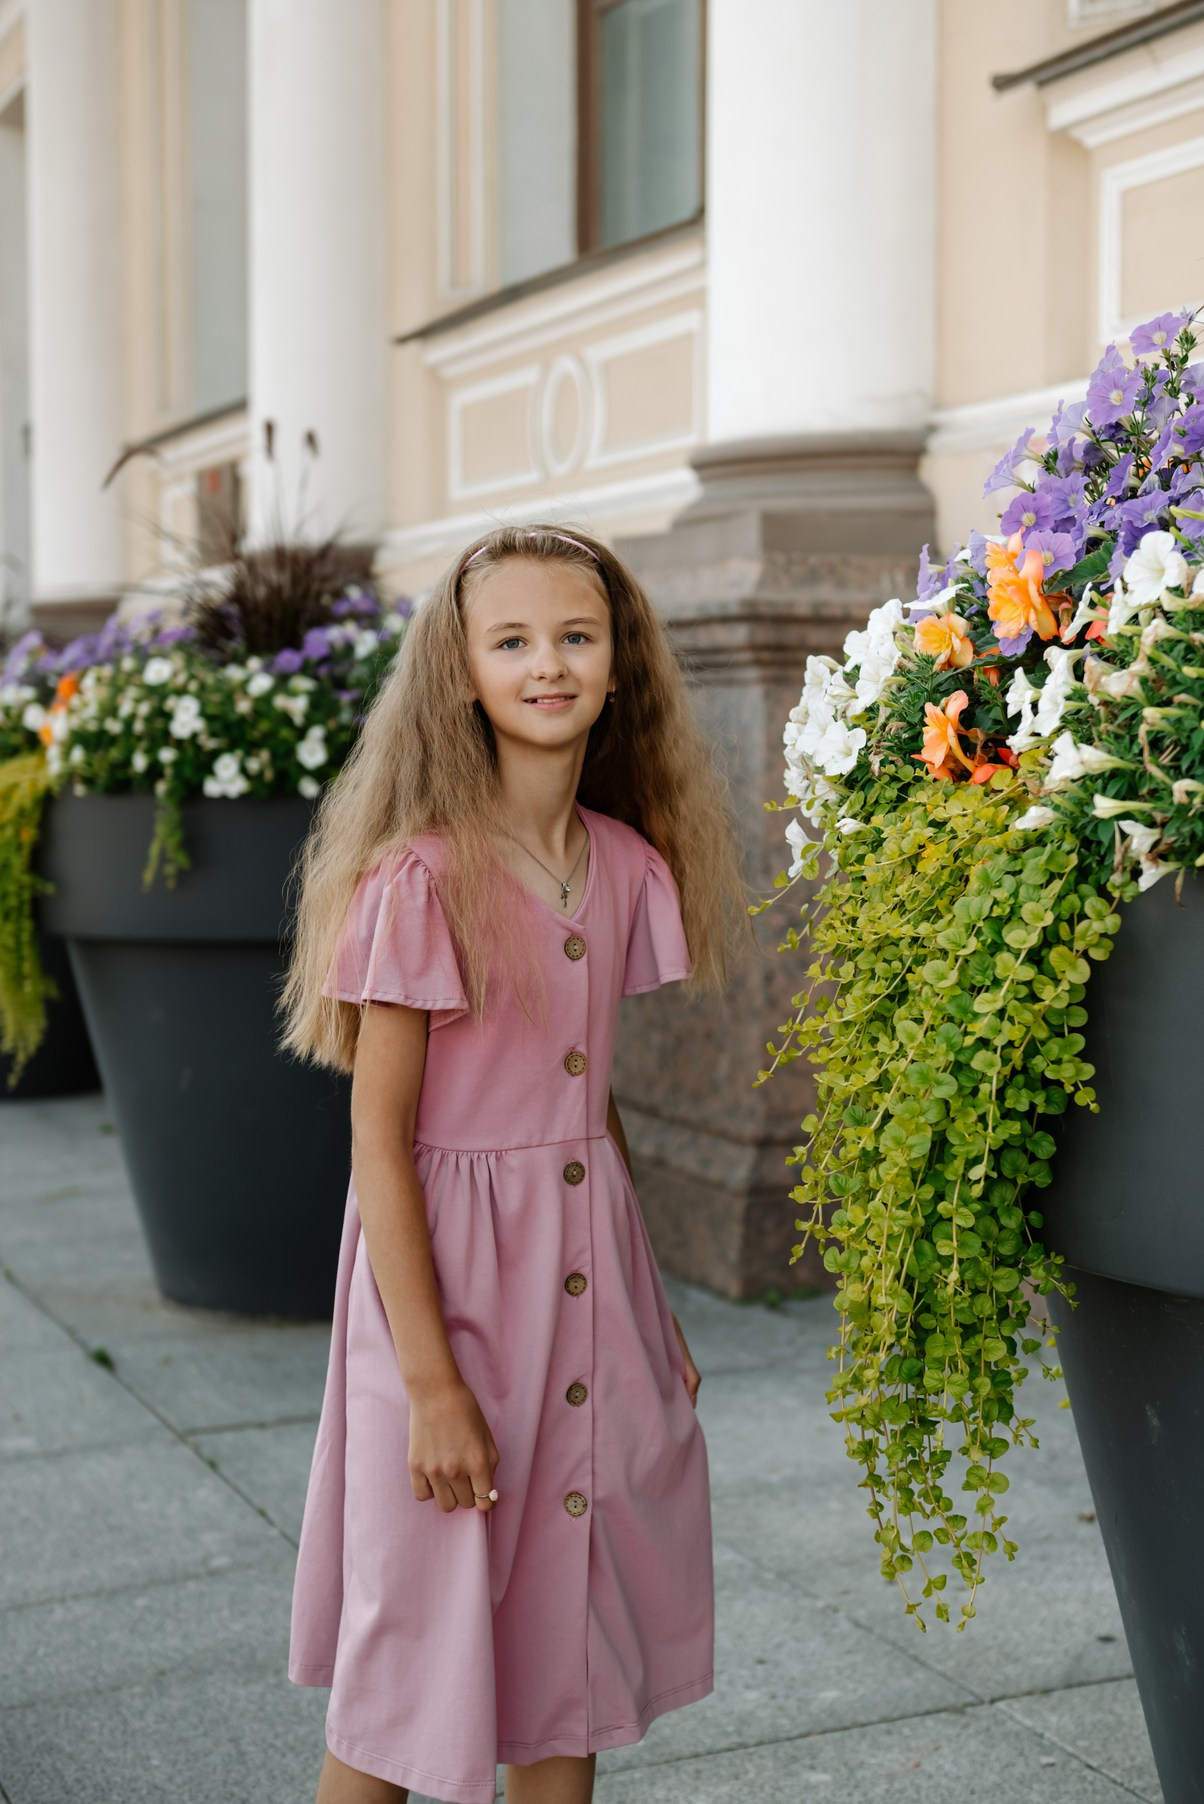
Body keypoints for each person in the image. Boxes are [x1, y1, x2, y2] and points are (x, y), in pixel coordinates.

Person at [278, 523, 748, 1804]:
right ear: (462, 674)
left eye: (577, 637)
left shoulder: (629, 867)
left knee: (567, 1637)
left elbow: (588, 1118)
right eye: (514, 640)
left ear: (617, 664)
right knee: (409, 1659)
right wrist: (429, 1382)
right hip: (443, 1293)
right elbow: (380, 1136)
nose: (550, 663)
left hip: (587, 1289)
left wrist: (647, 1308)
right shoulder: (418, 881)